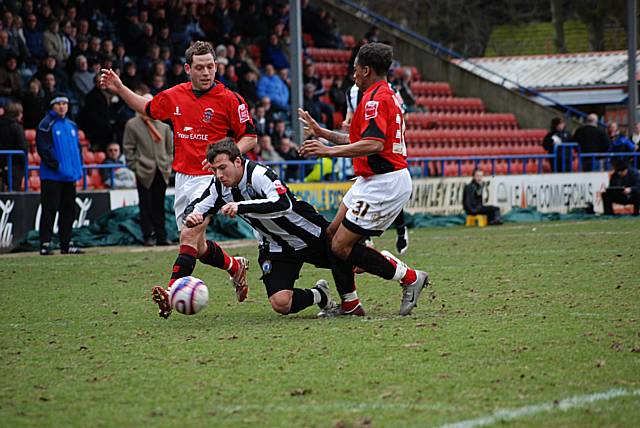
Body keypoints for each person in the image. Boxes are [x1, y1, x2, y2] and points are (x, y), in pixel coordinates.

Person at [100, 41, 257, 318]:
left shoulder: (230, 99)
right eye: (200, 67)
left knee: (188, 232)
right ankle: (235, 266)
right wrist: (120, 89)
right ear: (188, 69)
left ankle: (172, 293)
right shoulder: (176, 96)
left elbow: (250, 136)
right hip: (183, 178)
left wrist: (224, 160)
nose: (206, 72)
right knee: (196, 245)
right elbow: (147, 109)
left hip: (212, 178)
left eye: (210, 66)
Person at [299, 42, 430, 316]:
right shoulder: (381, 95)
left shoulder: (374, 99)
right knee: (332, 234)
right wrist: (322, 132)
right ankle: (350, 304)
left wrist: (329, 151)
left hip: (385, 181)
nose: (353, 73)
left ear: (366, 69)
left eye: (356, 68)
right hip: (372, 178)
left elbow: (373, 144)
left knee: (341, 245)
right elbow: (360, 139)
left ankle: (410, 278)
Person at [185, 139, 365, 316]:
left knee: (360, 264)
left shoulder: (259, 174)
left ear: (238, 161)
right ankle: (321, 295)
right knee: (281, 303)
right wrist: (192, 215)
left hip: (307, 234)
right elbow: (198, 206)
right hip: (275, 246)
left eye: (223, 168)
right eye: (215, 170)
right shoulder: (219, 187)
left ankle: (386, 267)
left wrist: (241, 206)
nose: (219, 175)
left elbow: (282, 203)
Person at [36, 94, 84, 255]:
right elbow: (43, 148)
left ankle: (66, 243)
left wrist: (77, 170)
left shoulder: (72, 125)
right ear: (52, 106)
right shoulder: (46, 124)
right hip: (52, 176)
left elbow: (76, 149)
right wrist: (55, 165)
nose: (62, 106)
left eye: (65, 103)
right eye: (58, 104)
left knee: (68, 211)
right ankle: (45, 243)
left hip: (69, 176)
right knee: (50, 209)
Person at [123, 93, 173, 247]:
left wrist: (167, 164)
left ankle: (161, 235)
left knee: (159, 205)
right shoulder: (132, 124)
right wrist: (136, 167)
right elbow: (128, 148)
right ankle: (147, 236)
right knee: (145, 205)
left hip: (161, 169)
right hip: (144, 171)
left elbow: (170, 149)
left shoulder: (163, 125)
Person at [0, 102, 28, 191]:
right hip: (14, 166)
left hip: (1, 164)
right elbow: (23, 147)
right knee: (14, 194)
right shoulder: (17, 128)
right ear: (17, 113)